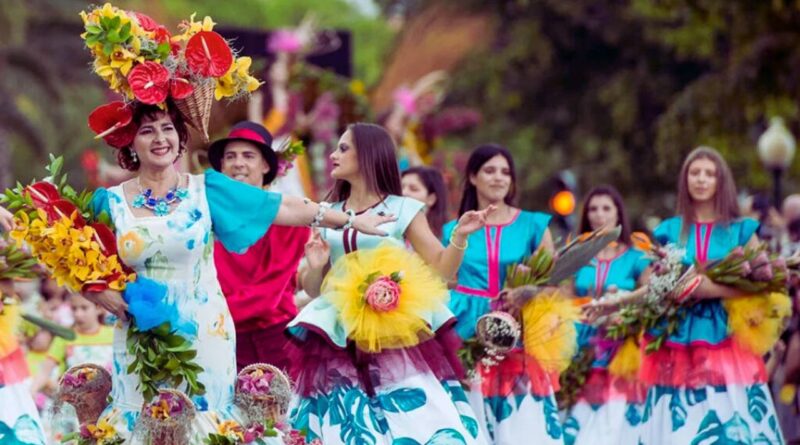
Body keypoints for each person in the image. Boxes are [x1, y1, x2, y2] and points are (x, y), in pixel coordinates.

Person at [0, 100, 392, 442]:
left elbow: (283, 208)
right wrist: (94, 291)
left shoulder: (207, 190)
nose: (160, 138)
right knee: (141, 422)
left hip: (204, 333)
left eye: (168, 129)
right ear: (130, 144)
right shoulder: (109, 202)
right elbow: (72, 257)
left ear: (180, 139)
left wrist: (350, 220)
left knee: (206, 425)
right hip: (138, 337)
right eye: (147, 130)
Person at [288, 123, 492, 444]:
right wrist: (314, 268)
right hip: (338, 333)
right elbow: (316, 289)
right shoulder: (330, 214)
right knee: (342, 422)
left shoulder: (403, 208)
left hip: (393, 330)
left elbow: (440, 269)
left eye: (343, 148)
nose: (333, 154)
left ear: (368, 155)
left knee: (415, 417)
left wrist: (460, 236)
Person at [637, 146, 784, 444]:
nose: (701, 179)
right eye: (694, 173)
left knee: (732, 421)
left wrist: (709, 290)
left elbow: (761, 285)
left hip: (727, 338)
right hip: (677, 336)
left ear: (721, 181)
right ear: (685, 180)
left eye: (709, 174)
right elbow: (652, 283)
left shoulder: (740, 230)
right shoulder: (668, 230)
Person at [443, 144, 557, 444]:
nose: (499, 178)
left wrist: (529, 292)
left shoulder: (534, 224)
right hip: (464, 327)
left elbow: (556, 281)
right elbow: (442, 279)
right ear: (472, 177)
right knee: (469, 418)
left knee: (521, 422)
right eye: (490, 171)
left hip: (518, 328)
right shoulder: (453, 230)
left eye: (505, 172)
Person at [209, 121, 310, 371]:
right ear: (221, 166)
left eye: (248, 155)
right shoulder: (205, 215)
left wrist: (209, 312)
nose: (238, 163)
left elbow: (269, 293)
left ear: (265, 165)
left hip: (277, 339)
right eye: (230, 156)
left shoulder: (290, 220)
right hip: (222, 341)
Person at [564, 185, 650, 445]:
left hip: (619, 345)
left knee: (613, 426)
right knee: (575, 422)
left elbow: (651, 293)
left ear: (618, 213)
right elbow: (564, 298)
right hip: (580, 345)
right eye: (593, 209)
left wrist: (623, 310)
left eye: (606, 208)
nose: (599, 215)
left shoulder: (637, 255)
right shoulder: (576, 254)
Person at [30, 293, 113, 394]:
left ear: (99, 308)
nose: (78, 314)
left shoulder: (112, 334)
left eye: (84, 308)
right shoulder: (65, 337)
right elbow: (45, 371)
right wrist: (32, 392)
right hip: (75, 399)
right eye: (74, 308)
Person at [401, 166, 449, 239]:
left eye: (413, 189)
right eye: (401, 188)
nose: (403, 193)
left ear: (431, 199)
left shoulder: (448, 237)